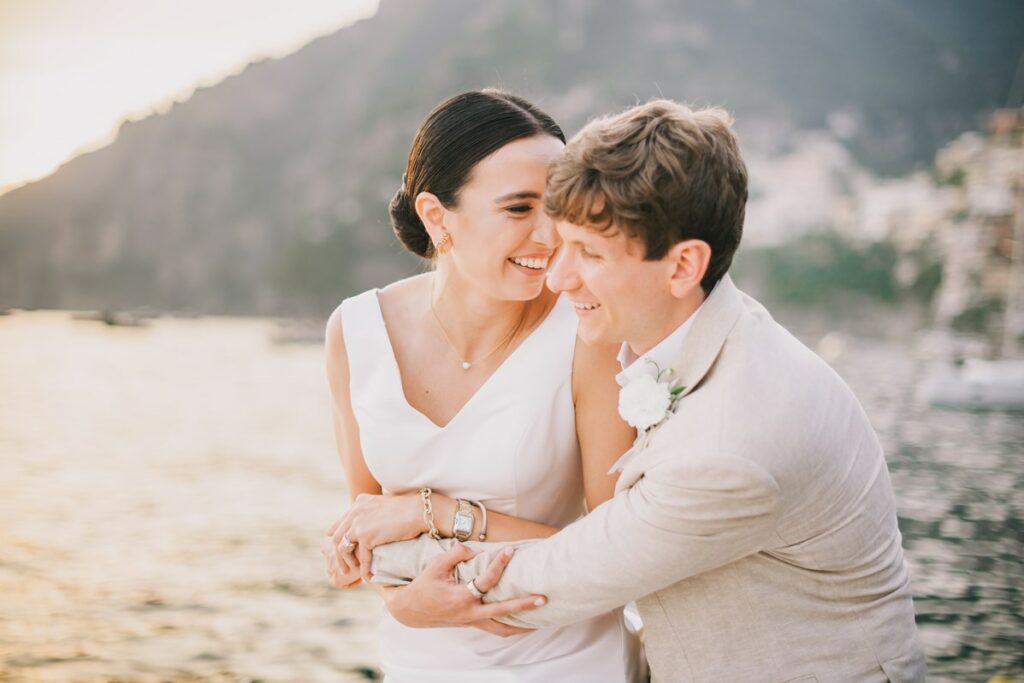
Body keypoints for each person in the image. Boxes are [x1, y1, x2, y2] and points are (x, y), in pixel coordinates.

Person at [367, 99, 927, 682]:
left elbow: (553, 582)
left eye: (588, 253)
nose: (557, 278)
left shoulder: (731, 447)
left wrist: (389, 553)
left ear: (684, 266)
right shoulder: (703, 333)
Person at [320, 89, 645, 682]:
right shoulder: (355, 330)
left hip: (566, 660)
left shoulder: (586, 332)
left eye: (558, 207)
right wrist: (401, 603)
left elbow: (617, 548)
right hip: (418, 659)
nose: (549, 237)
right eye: (520, 209)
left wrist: (440, 513)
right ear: (436, 216)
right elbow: (369, 530)